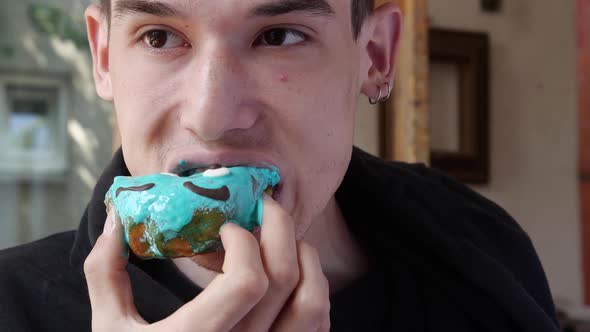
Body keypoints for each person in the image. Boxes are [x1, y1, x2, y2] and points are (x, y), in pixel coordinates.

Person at [0, 0, 560, 331]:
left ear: (375, 55)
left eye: (279, 35)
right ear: (103, 57)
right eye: (159, 36)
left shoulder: (488, 252)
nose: (213, 116)